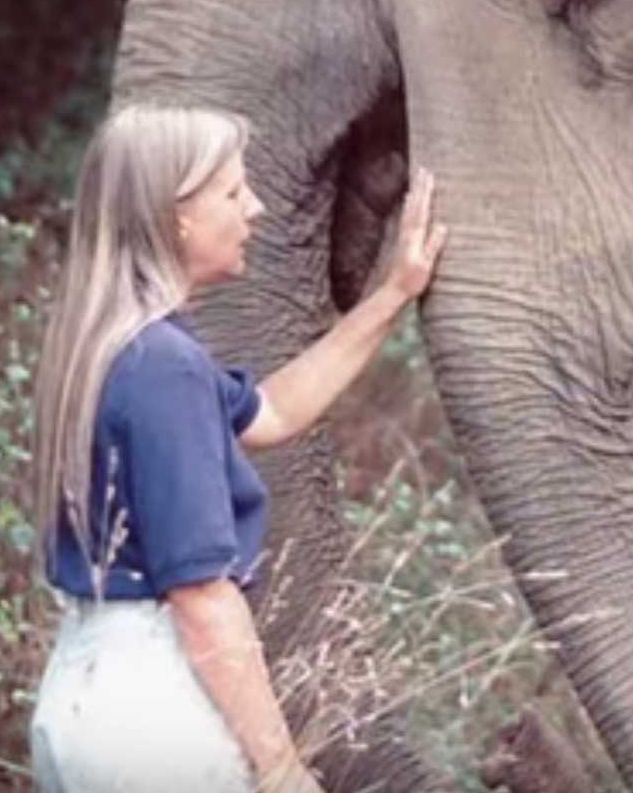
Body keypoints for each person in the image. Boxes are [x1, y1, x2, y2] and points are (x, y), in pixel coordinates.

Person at [27, 103, 447, 793]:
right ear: (176, 216)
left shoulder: (119, 346)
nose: (252, 208)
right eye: (232, 191)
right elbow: (199, 594)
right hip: (153, 717)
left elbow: (273, 411)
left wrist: (394, 291)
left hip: (87, 694)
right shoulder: (165, 367)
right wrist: (280, 766)